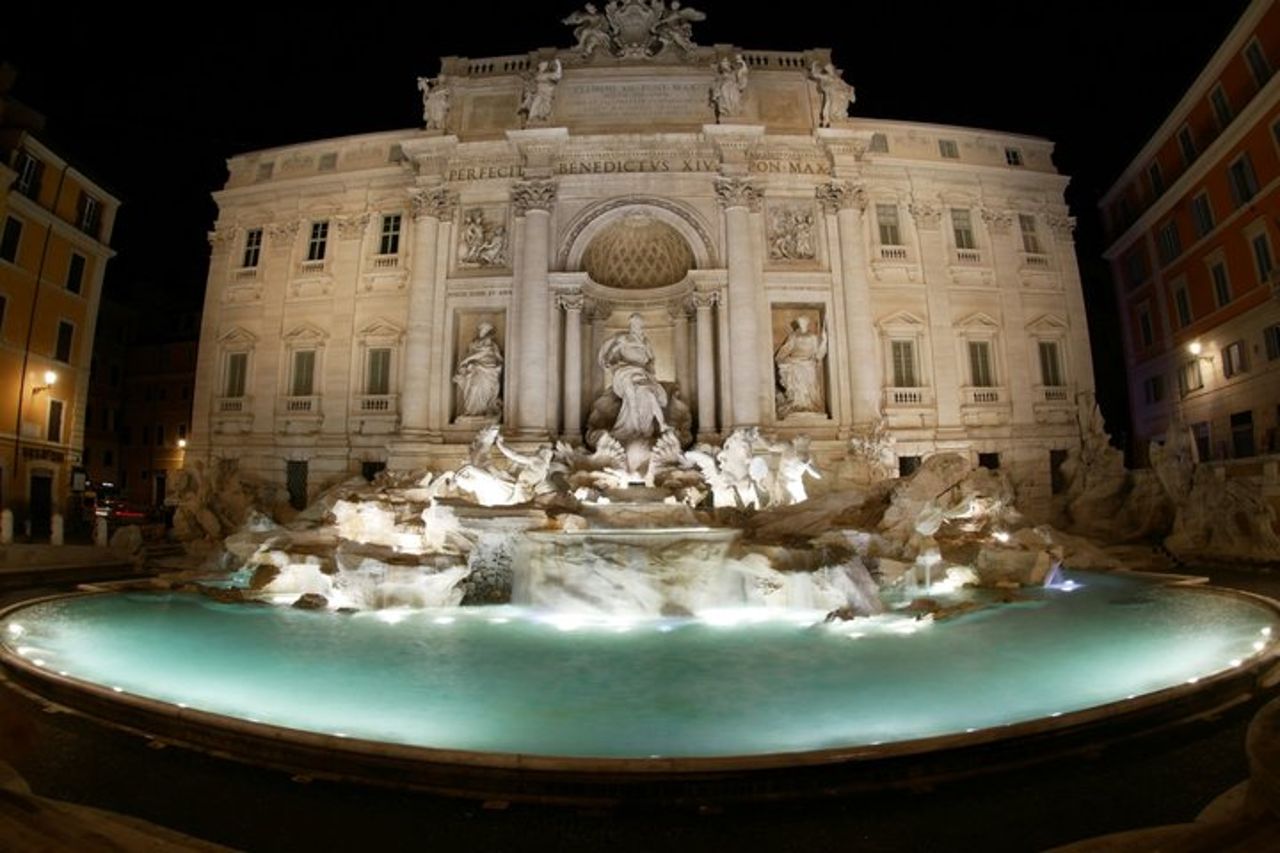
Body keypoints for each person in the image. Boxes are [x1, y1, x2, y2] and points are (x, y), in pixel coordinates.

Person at [597, 313, 668, 442]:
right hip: (625, 372)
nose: (638, 326)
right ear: (631, 324)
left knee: (649, 394)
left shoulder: (645, 341)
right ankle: (634, 427)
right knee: (631, 397)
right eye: (636, 323)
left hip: (641, 373)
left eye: (640, 324)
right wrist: (609, 362)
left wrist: (650, 368)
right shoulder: (624, 338)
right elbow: (611, 353)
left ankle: (650, 427)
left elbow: (651, 359)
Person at [774, 315, 828, 418]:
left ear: (807, 324)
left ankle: (809, 406)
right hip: (795, 364)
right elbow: (784, 351)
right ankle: (798, 405)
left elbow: (818, 354)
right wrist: (783, 360)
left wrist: (824, 340)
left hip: (809, 365)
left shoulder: (813, 337)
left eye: (804, 322)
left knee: (809, 388)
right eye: (800, 322)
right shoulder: (793, 336)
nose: (802, 324)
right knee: (797, 388)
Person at [454, 322, 504, 417]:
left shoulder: (491, 344)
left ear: (488, 331)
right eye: (481, 329)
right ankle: (473, 410)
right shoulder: (474, 343)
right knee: (473, 388)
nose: (482, 331)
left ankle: (484, 409)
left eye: (485, 329)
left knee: (485, 389)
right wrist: (467, 362)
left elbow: (492, 355)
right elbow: (471, 354)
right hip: (475, 369)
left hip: (488, 369)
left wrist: (467, 360)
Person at [809, 62, 855, 128]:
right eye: (830, 70)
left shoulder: (838, 80)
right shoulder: (827, 77)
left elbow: (846, 86)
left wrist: (850, 89)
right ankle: (834, 117)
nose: (832, 71)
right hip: (833, 94)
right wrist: (814, 65)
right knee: (833, 105)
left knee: (838, 105)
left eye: (832, 70)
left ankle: (837, 117)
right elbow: (815, 74)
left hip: (840, 95)